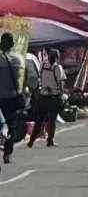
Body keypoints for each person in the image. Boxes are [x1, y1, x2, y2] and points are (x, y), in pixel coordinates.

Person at [28, 48, 66, 148]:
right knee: (52, 121)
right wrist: (62, 95)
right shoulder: (58, 67)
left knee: (39, 120)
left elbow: (39, 78)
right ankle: (50, 141)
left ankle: (31, 141)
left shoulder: (43, 65)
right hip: (53, 97)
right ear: (57, 57)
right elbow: (61, 83)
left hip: (43, 96)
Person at [0, 32, 24, 165]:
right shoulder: (18, 59)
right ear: (12, 44)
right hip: (12, 98)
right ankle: (7, 152)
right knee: (11, 126)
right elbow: (22, 81)